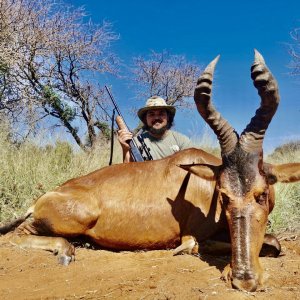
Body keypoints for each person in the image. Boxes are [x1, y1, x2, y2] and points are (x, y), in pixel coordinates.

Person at [117, 96, 194, 163]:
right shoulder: (135, 142)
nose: (156, 117)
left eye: (161, 113)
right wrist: (125, 149)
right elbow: (128, 173)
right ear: (145, 119)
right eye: (151, 114)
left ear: (168, 117)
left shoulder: (182, 141)